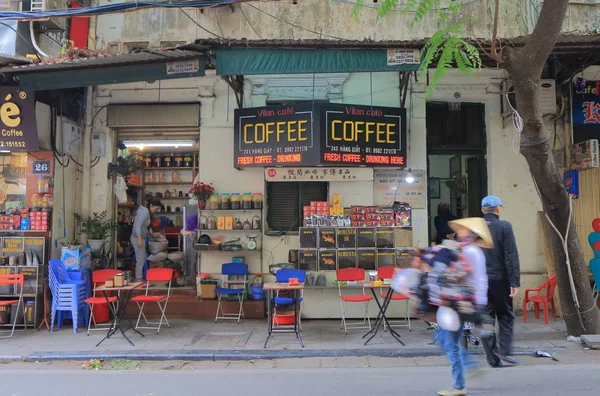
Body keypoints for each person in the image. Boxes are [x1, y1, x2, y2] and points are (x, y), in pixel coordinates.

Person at [436, 217, 491, 396]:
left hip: (460, 301)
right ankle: (465, 372)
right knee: (445, 339)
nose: (458, 232)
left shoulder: (470, 252)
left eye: (462, 230)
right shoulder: (469, 250)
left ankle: (460, 384)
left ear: (470, 233)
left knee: (449, 342)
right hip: (461, 301)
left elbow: (470, 276)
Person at [480, 195, 521, 367]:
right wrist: (514, 281)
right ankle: (505, 352)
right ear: (498, 209)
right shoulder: (505, 227)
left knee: (486, 318)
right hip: (500, 279)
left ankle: (492, 357)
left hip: (481, 281)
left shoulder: (476, 229)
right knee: (505, 315)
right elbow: (511, 255)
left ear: (483, 210)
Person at [131, 199, 162, 282]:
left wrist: (150, 234)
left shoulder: (147, 213)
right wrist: (140, 239)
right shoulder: (144, 213)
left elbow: (144, 227)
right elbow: (138, 226)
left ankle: (139, 278)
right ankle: (139, 280)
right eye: (156, 209)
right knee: (140, 259)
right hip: (137, 238)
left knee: (142, 258)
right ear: (151, 206)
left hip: (141, 237)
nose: (156, 211)